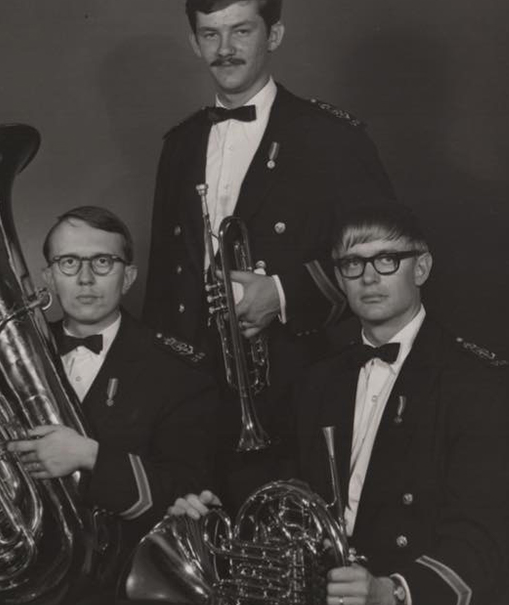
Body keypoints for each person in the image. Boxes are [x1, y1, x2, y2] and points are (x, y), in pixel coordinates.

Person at [141, 0, 395, 506]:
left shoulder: (331, 138)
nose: (224, 49)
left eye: (242, 31)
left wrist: (279, 294)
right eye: (210, 34)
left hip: (294, 392)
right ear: (194, 42)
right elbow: (165, 281)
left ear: (273, 35)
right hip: (191, 397)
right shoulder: (180, 144)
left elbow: (383, 258)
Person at [171, 202, 509, 605]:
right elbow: (285, 495)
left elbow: (484, 537)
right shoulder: (319, 379)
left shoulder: (477, 383)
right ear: (339, 278)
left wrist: (394, 592)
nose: (368, 277)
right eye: (352, 263)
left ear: (421, 268)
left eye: (386, 259)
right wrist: (213, 515)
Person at [6, 206, 219, 587]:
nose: (85, 278)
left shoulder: (178, 371)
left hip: (116, 583)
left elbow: (186, 496)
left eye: (103, 262)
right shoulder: (10, 358)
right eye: (69, 262)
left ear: (128, 277)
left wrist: (90, 456)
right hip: (18, 574)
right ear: (49, 277)